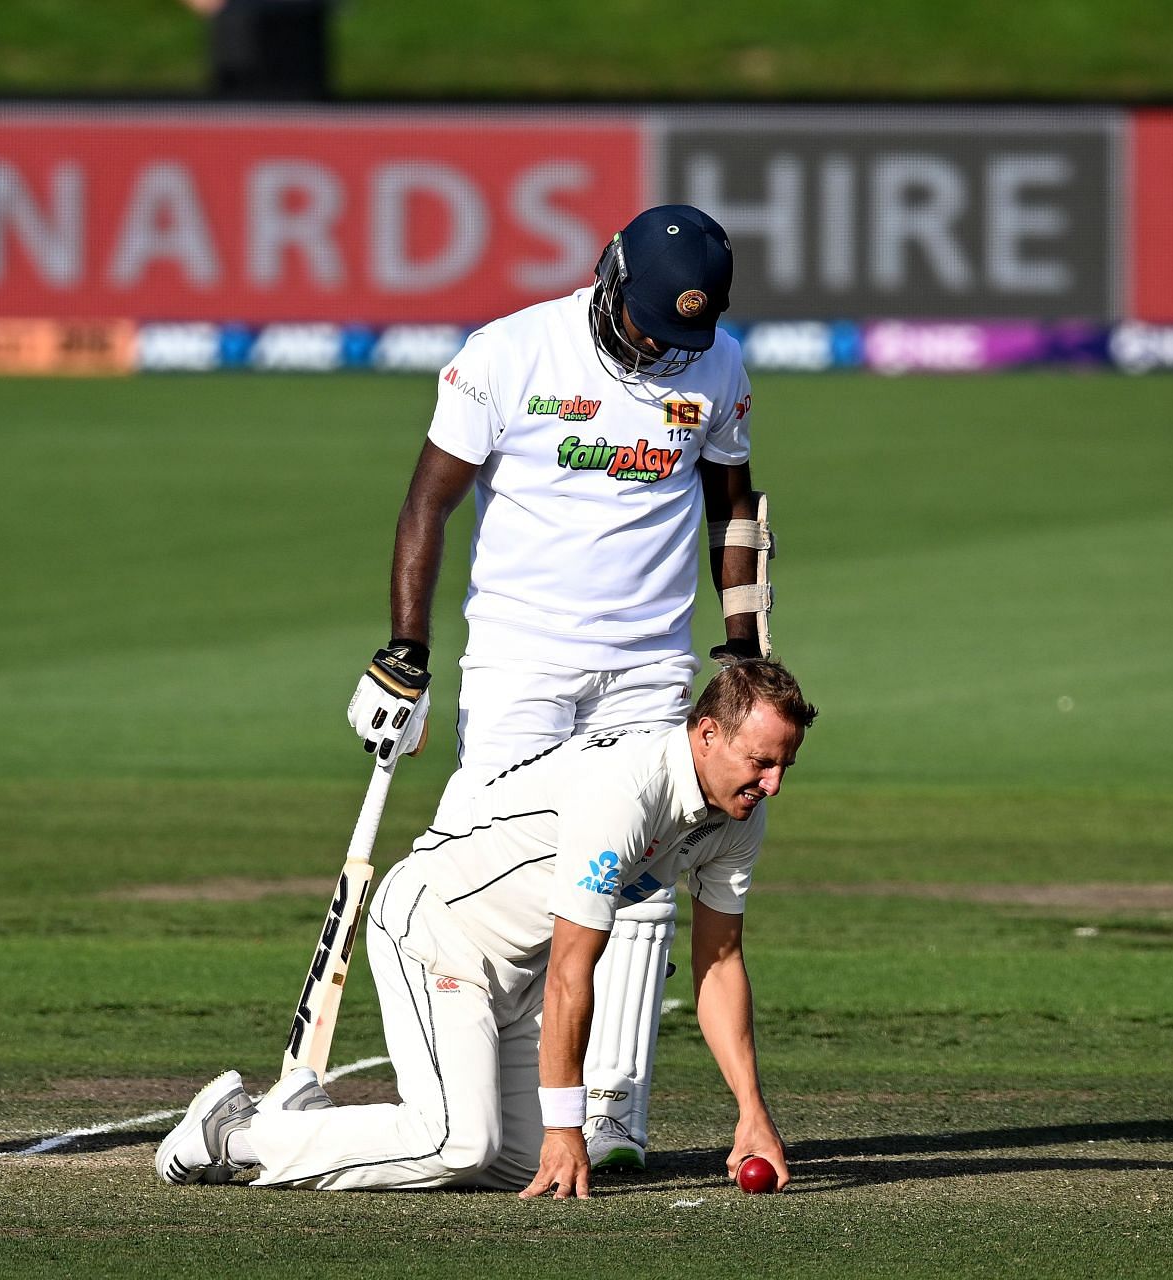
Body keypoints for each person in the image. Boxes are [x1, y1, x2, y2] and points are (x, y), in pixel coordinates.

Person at [341, 203, 774, 1171]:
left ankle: (610, 1110)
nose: (666, 350)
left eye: (683, 337)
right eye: (652, 328)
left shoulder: (718, 364)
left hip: (654, 661)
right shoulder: (507, 353)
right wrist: (406, 644)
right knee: (505, 865)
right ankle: (479, 1087)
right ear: (610, 281)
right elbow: (429, 501)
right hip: (519, 657)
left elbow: (735, 507)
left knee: (646, 873)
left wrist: (743, 645)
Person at [157, 659, 816, 1197]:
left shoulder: (738, 816)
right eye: (761, 761)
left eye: (784, 764)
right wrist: (565, 1126)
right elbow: (571, 971)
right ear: (706, 733)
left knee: (526, 1165)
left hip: (518, 971)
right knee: (460, 1143)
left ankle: (304, 1121)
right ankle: (234, 1133)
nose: (775, 784)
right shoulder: (624, 794)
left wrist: (751, 1112)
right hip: (438, 930)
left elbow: (721, 961)